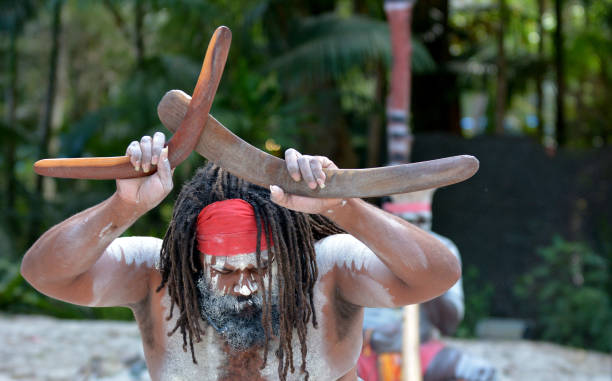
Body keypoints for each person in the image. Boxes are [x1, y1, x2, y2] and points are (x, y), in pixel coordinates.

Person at [21, 132, 461, 381]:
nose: (246, 285)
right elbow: (44, 274)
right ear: (194, 262)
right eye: (224, 272)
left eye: (262, 267)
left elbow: (436, 276)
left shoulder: (326, 272)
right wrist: (125, 208)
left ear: (289, 258)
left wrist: (342, 207)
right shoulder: (158, 276)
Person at [358, 190, 497, 381]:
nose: (417, 232)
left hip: (420, 348)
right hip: (364, 350)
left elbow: (449, 325)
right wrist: (368, 335)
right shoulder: (361, 245)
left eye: (422, 222)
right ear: (387, 219)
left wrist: (431, 278)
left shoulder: (443, 248)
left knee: (478, 373)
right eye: (409, 222)